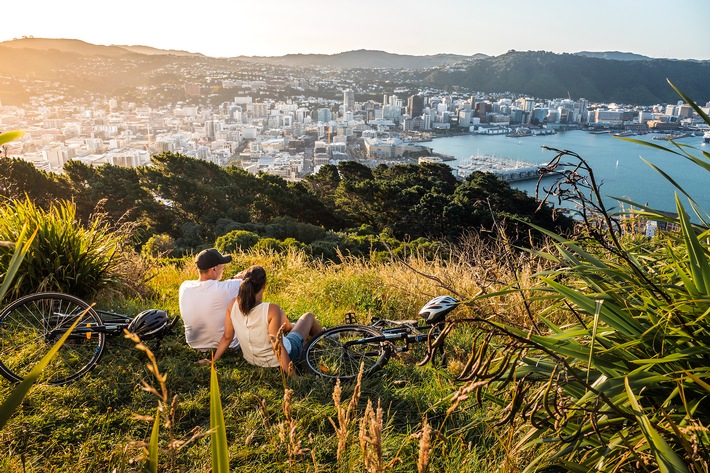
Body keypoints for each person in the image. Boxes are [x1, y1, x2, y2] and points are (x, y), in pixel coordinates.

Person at [213, 265, 322, 375]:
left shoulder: (232, 304)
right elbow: (277, 345)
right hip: (276, 360)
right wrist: (294, 376)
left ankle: (308, 336)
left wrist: (213, 361)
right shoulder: (271, 309)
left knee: (288, 325)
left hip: (251, 359)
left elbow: (227, 337)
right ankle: (327, 338)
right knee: (308, 317)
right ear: (264, 285)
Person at [179, 248, 243, 353]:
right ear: (214, 269)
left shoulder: (184, 286)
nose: (223, 268)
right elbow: (250, 277)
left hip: (195, 345)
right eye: (221, 265)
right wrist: (239, 277)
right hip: (229, 346)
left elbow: (213, 288)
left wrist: (232, 279)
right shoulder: (228, 288)